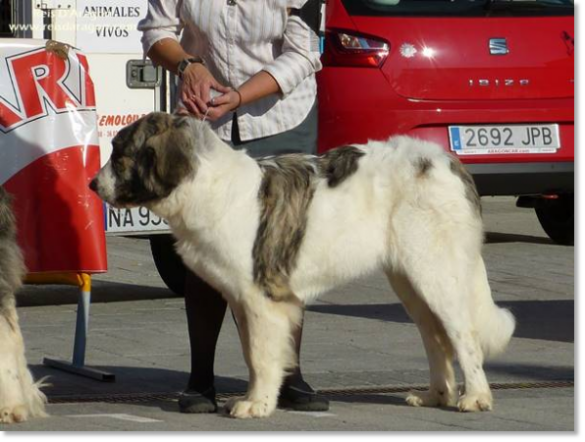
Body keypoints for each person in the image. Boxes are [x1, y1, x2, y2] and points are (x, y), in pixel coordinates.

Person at [138, 0, 328, 414]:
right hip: (205, 121)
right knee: (205, 252)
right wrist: (189, 65)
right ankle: (200, 380)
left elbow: (303, 55)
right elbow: (156, 33)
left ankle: (286, 373)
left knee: (279, 254)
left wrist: (240, 96)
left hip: (281, 120)